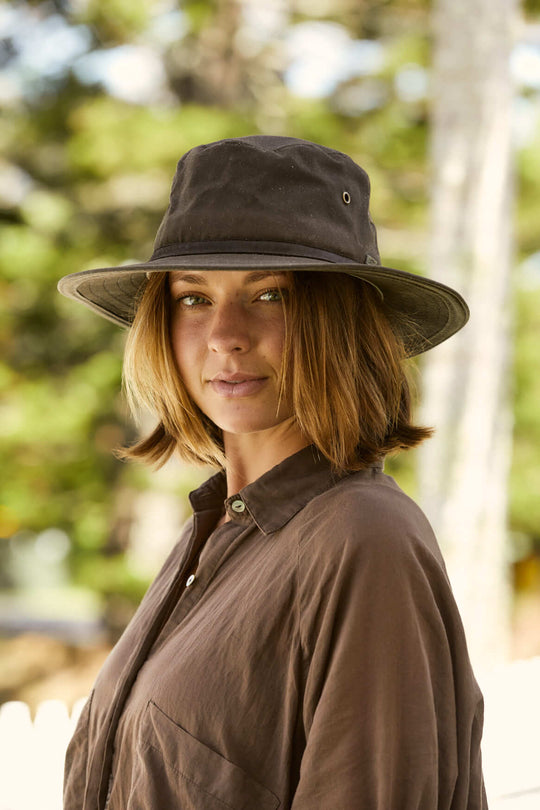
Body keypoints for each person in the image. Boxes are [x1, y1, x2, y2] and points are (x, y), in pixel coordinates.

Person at [58, 135, 488, 809]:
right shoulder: (212, 534)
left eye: (271, 295)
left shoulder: (362, 540)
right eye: (193, 298)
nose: (226, 333)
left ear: (340, 324)